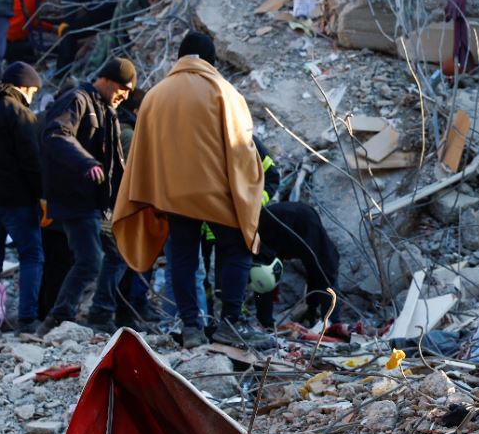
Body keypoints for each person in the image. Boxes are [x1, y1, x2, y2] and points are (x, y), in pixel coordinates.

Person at [112, 32, 270, 349]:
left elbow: (143, 153)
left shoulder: (155, 95)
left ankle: (191, 327)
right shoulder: (224, 92)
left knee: (183, 258)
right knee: (237, 250)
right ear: (210, 60)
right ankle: (230, 324)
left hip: (173, 196)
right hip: (217, 195)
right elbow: (241, 149)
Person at [38, 57, 135, 335]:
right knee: (91, 260)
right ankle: (57, 321)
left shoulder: (107, 110)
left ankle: (100, 315)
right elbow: (56, 134)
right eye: (123, 88)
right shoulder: (77, 99)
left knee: (117, 256)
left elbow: (116, 164)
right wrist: (86, 163)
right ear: (106, 79)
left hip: (96, 205)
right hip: (75, 199)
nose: (124, 96)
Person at [0, 62, 43, 334]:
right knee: (31, 255)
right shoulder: (19, 112)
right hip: (16, 200)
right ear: (25, 87)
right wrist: (39, 196)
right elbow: (32, 160)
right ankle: (28, 320)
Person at [253, 201, 342, 331]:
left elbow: (322, 272)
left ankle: (331, 322)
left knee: (322, 271)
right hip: (274, 226)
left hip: (300, 220)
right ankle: (265, 322)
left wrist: (312, 307)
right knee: (264, 277)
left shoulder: (309, 228)